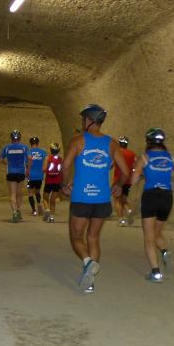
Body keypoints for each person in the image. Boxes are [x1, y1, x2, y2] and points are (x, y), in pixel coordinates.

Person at [62, 104, 130, 292]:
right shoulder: (111, 143)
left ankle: (88, 262)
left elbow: (65, 166)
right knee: (93, 237)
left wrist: (64, 184)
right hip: (102, 200)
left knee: (76, 237)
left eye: (83, 119)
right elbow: (125, 171)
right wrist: (118, 185)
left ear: (89, 120)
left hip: (81, 197)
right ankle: (90, 281)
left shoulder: (78, 141)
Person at [128, 128, 174, 282]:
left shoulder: (144, 157)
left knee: (149, 237)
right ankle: (165, 251)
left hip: (151, 196)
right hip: (167, 197)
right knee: (156, 232)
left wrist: (141, 174)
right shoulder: (171, 157)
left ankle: (155, 272)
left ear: (148, 141)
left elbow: (133, 180)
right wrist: (167, 179)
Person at [0, 130, 28, 222]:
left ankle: (14, 213)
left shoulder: (7, 147)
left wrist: (6, 163)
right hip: (21, 172)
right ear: (19, 138)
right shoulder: (24, 147)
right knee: (19, 193)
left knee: (13, 194)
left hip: (11, 172)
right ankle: (19, 210)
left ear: (11, 138)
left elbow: (0, 159)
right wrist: (28, 168)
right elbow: (29, 158)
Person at [114, 136, 137, 226]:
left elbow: (111, 164)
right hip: (128, 180)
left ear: (119, 143)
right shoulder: (132, 154)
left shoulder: (117, 152)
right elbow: (136, 165)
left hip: (118, 180)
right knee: (124, 199)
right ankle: (129, 210)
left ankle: (121, 220)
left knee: (117, 200)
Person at [42, 143, 63, 222]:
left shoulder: (48, 158)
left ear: (51, 149)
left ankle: (47, 209)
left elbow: (44, 169)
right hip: (57, 181)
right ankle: (51, 217)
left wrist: (46, 169)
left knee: (45, 198)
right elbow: (61, 170)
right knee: (53, 200)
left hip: (49, 181)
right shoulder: (60, 159)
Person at [26, 137, 46, 216]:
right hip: (40, 176)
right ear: (38, 143)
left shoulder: (28, 152)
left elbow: (28, 164)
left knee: (30, 193)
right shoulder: (43, 152)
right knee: (37, 191)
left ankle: (34, 210)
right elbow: (45, 162)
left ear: (30, 144)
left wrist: (27, 172)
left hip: (31, 176)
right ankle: (39, 204)